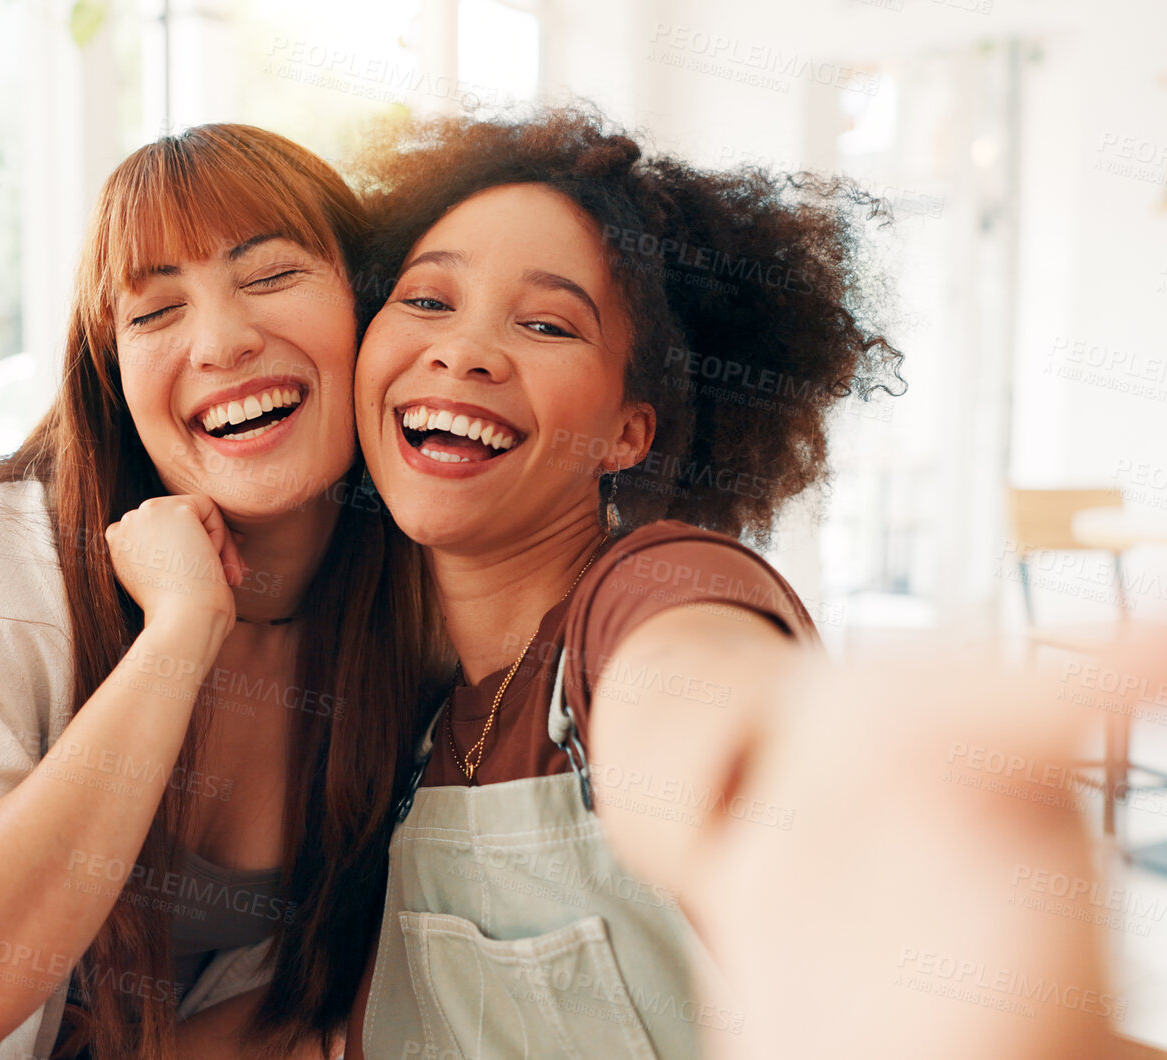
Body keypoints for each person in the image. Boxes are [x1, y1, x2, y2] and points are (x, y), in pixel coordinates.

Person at [335, 106, 1119, 1059]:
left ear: (629, 431)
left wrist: (813, 806)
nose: (463, 351)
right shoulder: (398, 710)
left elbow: (703, 714)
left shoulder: (656, 586)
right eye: (425, 301)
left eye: (546, 324)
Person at [0, 124, 443, 1060]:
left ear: (373, 310)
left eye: (272, 275)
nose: (221, 340)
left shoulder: (416, 602)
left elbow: (320, 996)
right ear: (113, 375)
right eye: (155, 313)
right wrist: (177, 635)